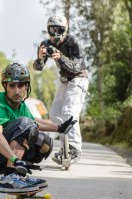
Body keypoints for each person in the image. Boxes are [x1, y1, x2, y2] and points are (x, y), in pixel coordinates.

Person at [0, 62, 75, 193]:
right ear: (5, 86)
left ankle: (19, 177)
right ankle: (10, 177)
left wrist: (60, 127)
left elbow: (34, 122)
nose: (17, 91)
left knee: (44, 143)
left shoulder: (19, 105)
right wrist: (14, 159)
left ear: (27, 86)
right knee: (25, 125)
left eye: (21, 85)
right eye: (12, 86)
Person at [33, 15, 89, 162]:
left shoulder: (72, 42)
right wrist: (39, 58)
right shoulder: (45, 44)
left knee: (69, 111)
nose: (55, 33)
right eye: (52, 29)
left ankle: (75, 148)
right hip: (64, 80)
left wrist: (60, 57)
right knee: (54, 114)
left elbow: (77, 66)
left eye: (59, 29)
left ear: (65, 30)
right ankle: (66, 147)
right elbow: (38, 68)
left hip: (79, 78)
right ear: (48, 29)